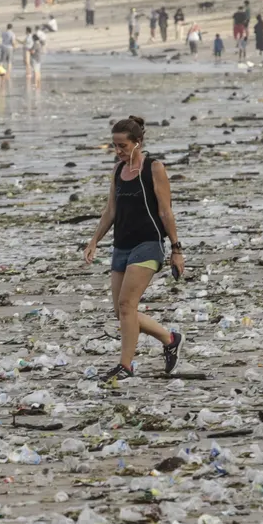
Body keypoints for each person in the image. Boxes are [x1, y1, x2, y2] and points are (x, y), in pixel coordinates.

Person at [83, 116, 185, 381]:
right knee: (121, 311)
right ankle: (169, 338)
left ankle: (125, 366)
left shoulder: (154, 168)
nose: (118, 152)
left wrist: (176, 249)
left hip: (148, 244)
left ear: (137, 143)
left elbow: (165, 211)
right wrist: (94, 240)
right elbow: (110, 211)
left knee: (128, 305)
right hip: (122, 246)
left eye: (123, 146)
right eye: (114, 146)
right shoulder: (118, 171)